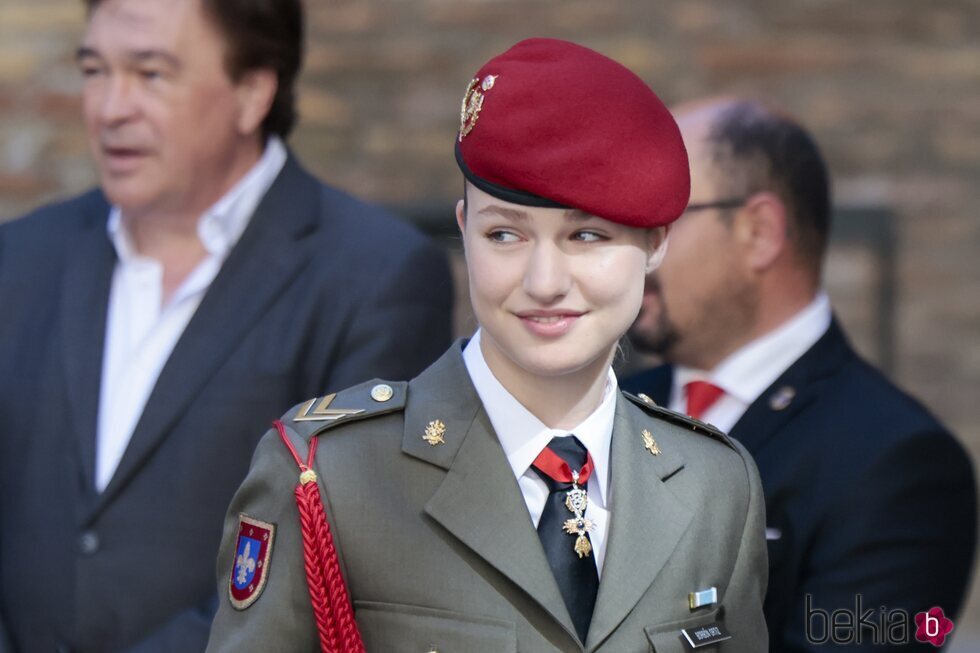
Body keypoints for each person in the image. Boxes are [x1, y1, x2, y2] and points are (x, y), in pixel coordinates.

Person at [206, 38, 768, 653]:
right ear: (462, 230)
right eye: (504, 233)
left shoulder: (715, 488)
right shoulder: (330, 475)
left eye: (586, 235)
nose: (544, 282)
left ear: (655, 243)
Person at [0, 0, 453, 650]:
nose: (109, 107)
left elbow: (335, 555)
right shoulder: (20, 257)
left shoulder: (373, 277)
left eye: (150, 74)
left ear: (252, 92)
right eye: (95, 70)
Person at [624, 98, 977, 652]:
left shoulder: (896, 463)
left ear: (760, 232)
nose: (630, 249)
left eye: (658, 220)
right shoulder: (608, 405)